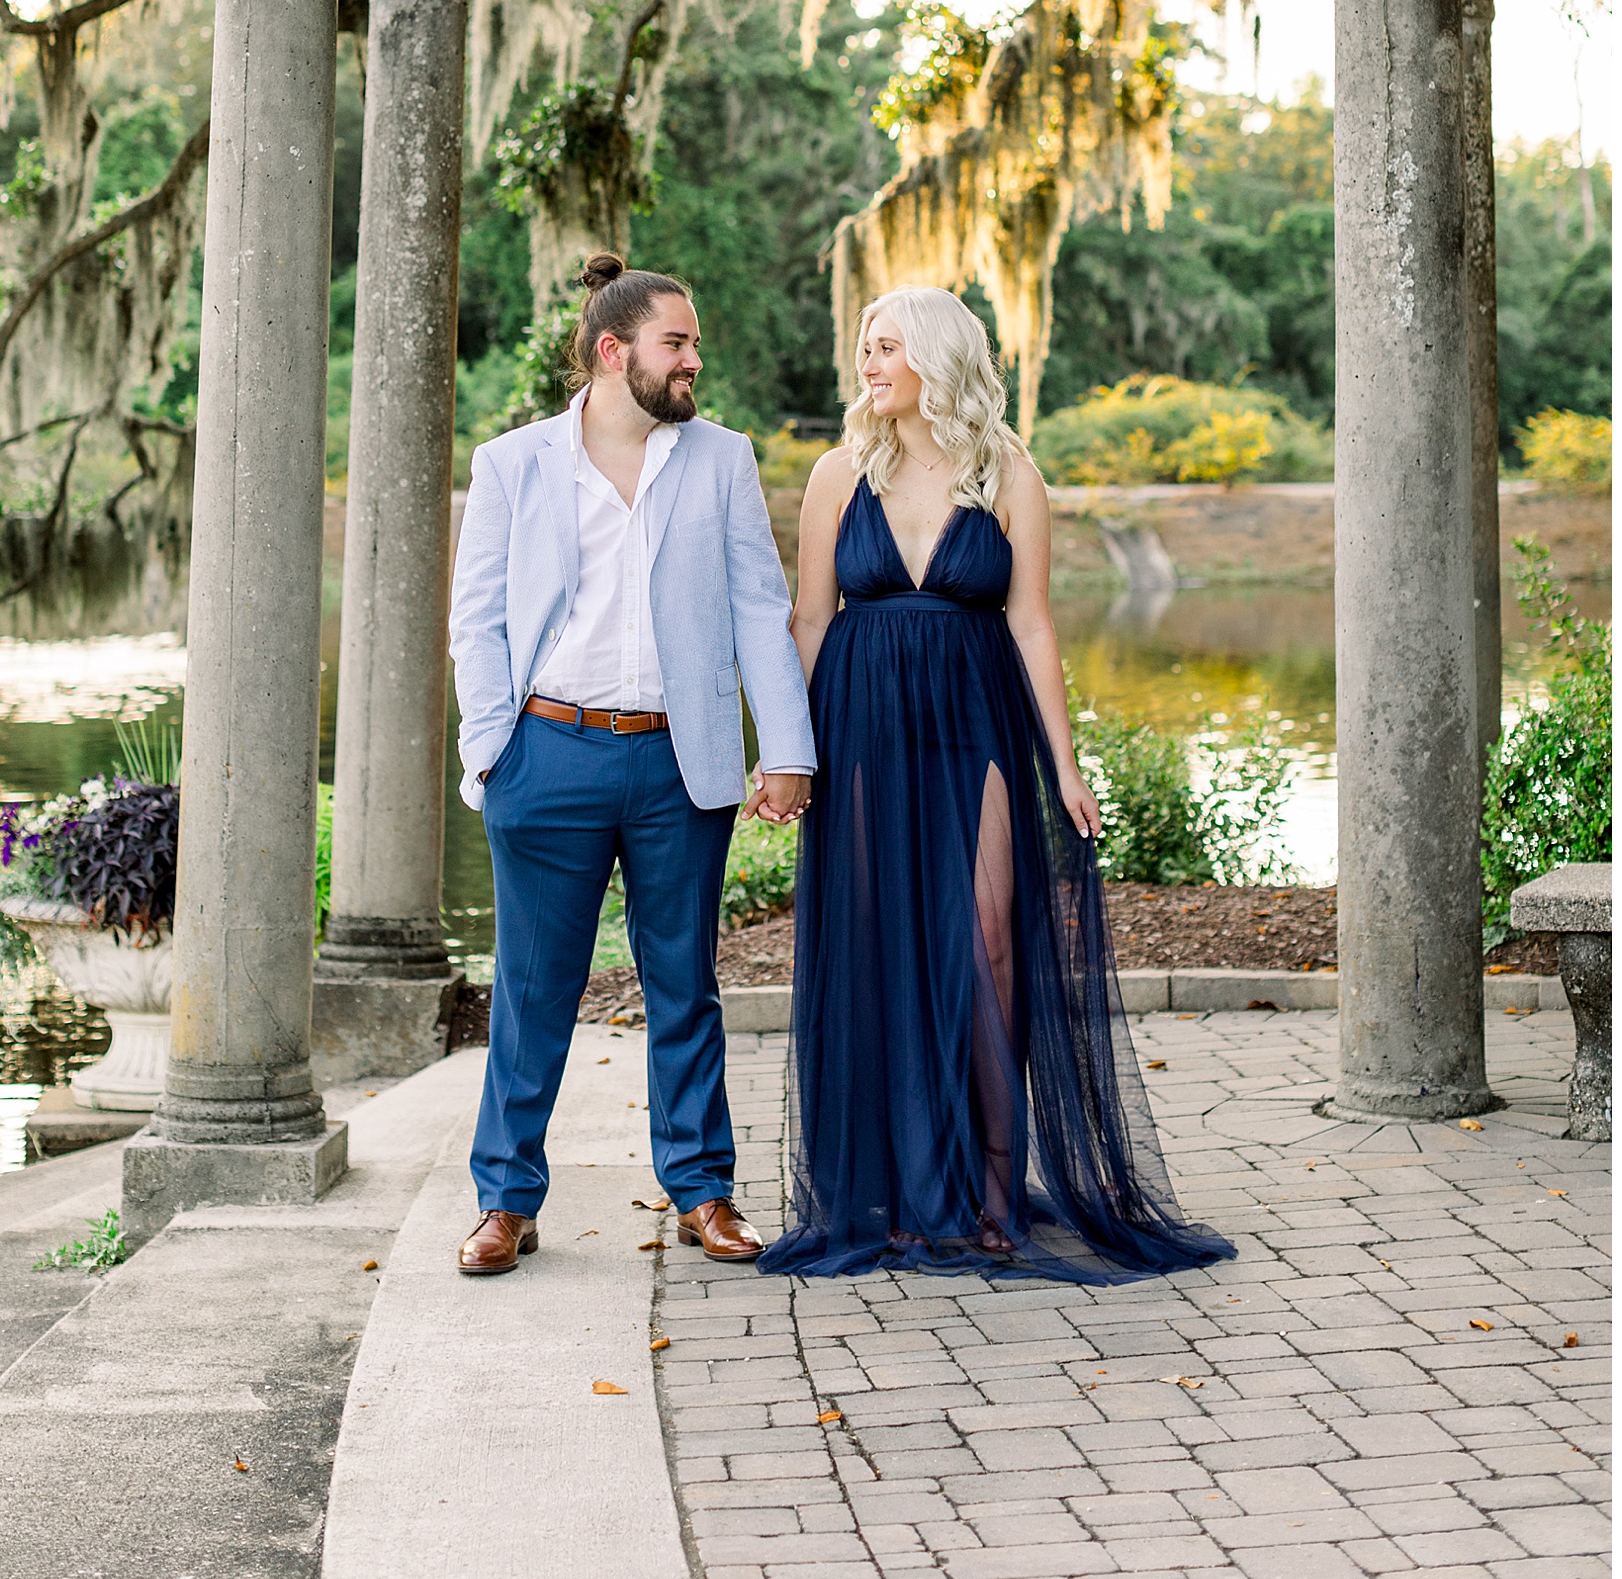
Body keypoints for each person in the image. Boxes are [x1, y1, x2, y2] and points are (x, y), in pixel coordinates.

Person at [751, 285, 1232, 1285]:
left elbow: (1032, 623)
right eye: (865, 346)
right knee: (880, 943)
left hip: (979, 720)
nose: (868, 363)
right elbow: (807, 617)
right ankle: (889, 1192)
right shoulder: (840, 472)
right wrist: (787, 752)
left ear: (936, 356)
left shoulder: (1010, 473)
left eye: (886, 346)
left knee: (993, 942)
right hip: (864, 725)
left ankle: (995, 1191)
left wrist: (1065, 763)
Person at [448, 253, 815, 1276]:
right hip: (547, 753)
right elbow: (474, 620)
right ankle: (506, 1200)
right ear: (614, 353)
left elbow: (757, 607)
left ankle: (703, 1190)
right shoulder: (513, 462)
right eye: (678, 342)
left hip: (678, 765)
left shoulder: (722, 458)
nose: (696, 358)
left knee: (684, 985)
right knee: (531, 989)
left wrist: (784, 746)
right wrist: (493, 752)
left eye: (693, 341)